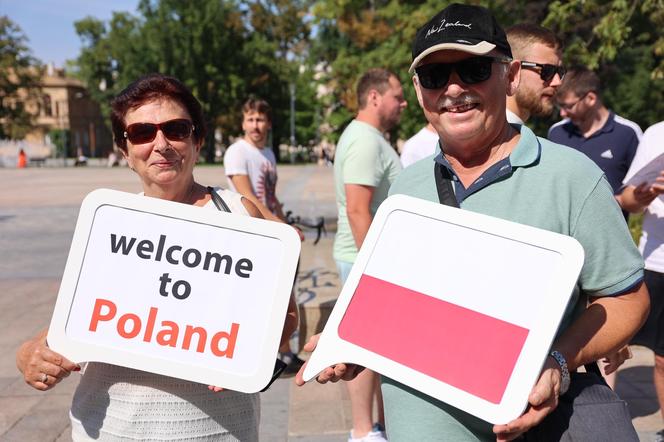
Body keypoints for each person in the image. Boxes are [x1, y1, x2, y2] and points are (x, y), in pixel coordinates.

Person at [298, 4, 649, 441]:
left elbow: (628, 299)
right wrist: (355, 346)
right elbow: (402, 311)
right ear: (418, 88)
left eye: (474, 69)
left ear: (511, 74)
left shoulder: (572, 177)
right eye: (435, 76)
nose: (454, 88)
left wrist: (557, 361)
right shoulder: (406, 189)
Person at [16, 73, 299, 442]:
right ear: (124, 150)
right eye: (142, 133)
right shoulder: (109, 222)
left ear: (197, 140)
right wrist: (30, 353)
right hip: (112, 429)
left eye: (177, 129)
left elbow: (288, 318)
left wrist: (247, 350)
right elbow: (82, 314)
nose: (161, 144)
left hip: (220, 429)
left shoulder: (238, 215)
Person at [333, 67, 406, 442]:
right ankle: (363, 432)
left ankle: (375, 427)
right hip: (363, 260)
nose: (403, 102)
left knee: (375, 350)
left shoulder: (368, 137)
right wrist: (374, 268)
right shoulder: (364, 141)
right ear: (375, 97)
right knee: (361, 348)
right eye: (397, 95)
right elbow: (358, 209)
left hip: (366, 258)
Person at [223, 97, 304, 371]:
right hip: (249, 232)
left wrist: (284, 218)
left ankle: (284, 352)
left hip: (271, 230)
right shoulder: (237, 151)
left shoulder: (267, 154)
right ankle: (257, 353)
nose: (255, 125)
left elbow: (269, 196)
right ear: (243, 122)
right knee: (259, 296)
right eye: (250, 119)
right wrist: (280, 226)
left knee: (281, 292)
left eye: (259, 119)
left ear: (268, 123)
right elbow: (248, 197)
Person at [616, 121, 664, 442]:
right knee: (661, 358)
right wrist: (643, 195)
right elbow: (628, 200)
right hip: (658, 261)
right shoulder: (656, 134)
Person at [548, 67, 642, 198]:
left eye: (568, 106)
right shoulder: (556, 132)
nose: (562, 113)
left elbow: (641, 189)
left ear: (591, 98)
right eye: (560, 106)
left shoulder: (628, 133)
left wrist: (617, 203)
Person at [505, 23, 565, 125]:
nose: (557, 82)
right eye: (547, 71)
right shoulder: (485, 137)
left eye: (560, 72)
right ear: (512, 73)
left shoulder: (519, 136)